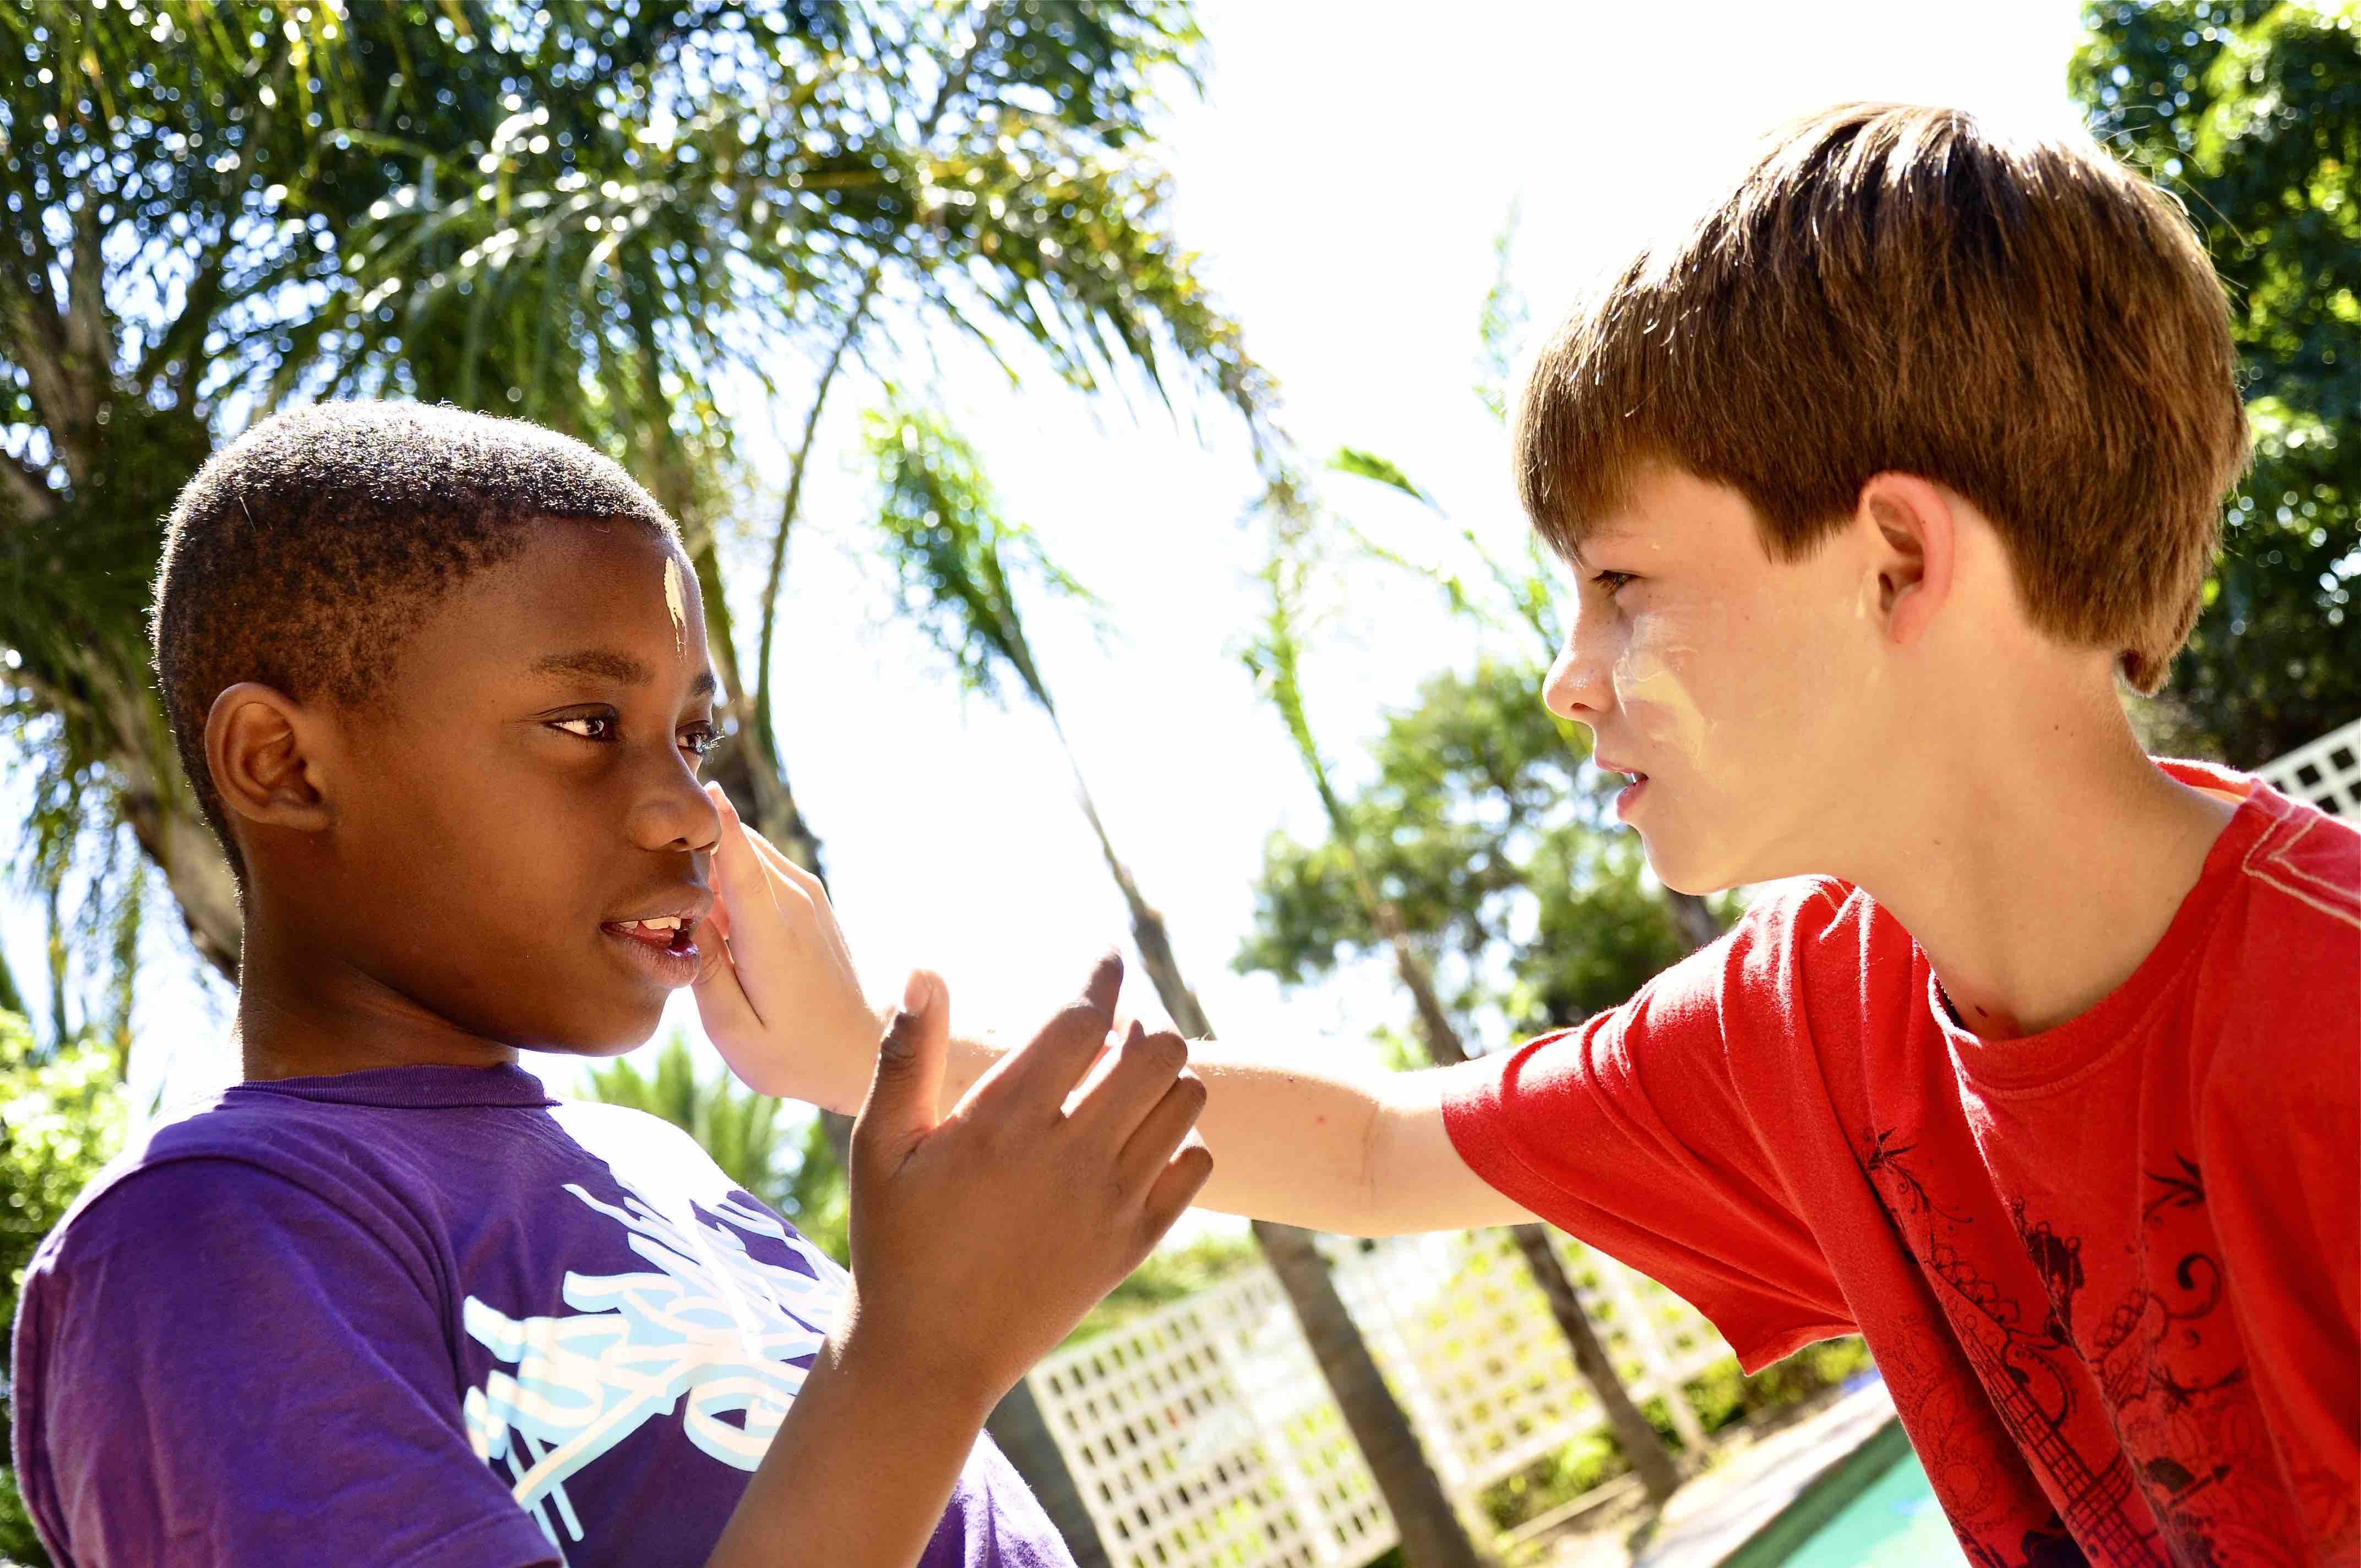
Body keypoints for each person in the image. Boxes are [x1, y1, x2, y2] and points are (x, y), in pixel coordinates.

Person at [704, 105, 2360, 1565]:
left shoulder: (2327, 1022)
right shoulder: (1810, 1023)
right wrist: (859, 1043)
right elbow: (1373, 1147)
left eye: (1620, 585)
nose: (1569, 680)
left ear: (1896, 565)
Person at [9, 401, 1213, 1567]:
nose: (691, 808)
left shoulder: (660, 1167)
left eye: (689, 735)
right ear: (284, 765)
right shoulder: (193, 1245)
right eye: (588, 722)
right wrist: (923, 1353)